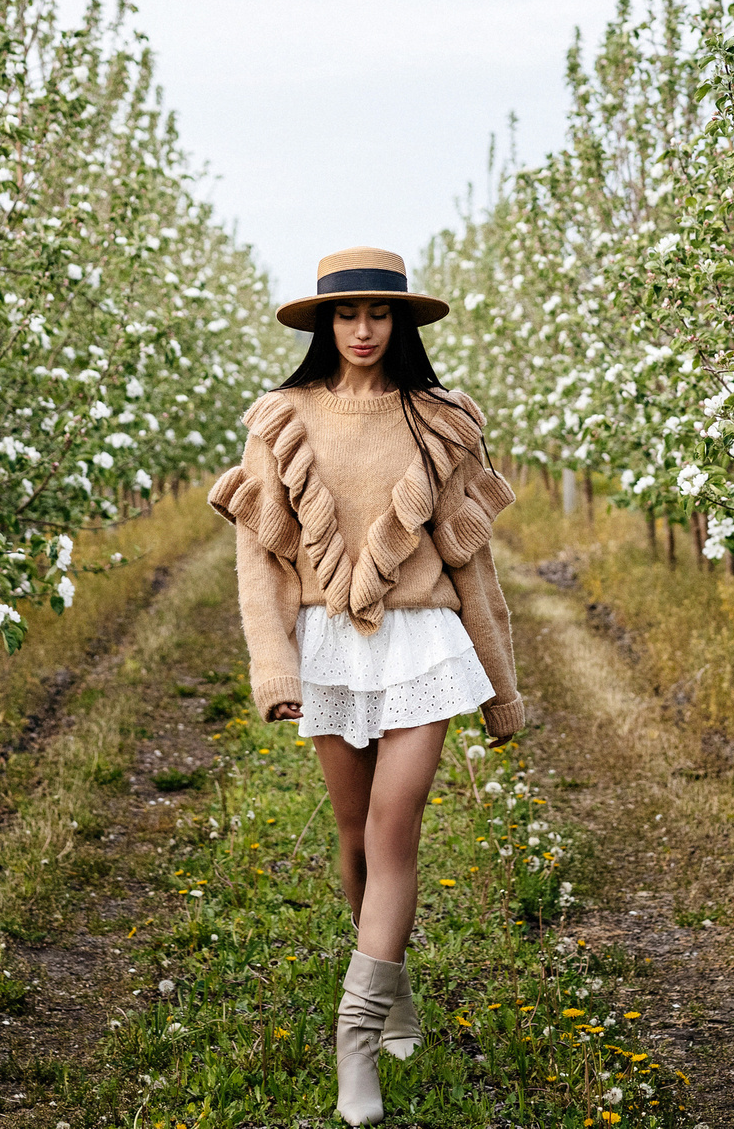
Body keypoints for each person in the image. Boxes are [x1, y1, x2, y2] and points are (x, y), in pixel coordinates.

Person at [209, 246, 524, 1125]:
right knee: (352, 832)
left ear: (401, 322)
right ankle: (391, 988)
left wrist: (501, 687)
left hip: (422, 642)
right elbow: (259, 564)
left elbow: (475, 565)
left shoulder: (442, 419)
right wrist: (273, 666)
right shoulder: (283, 420)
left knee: (394, 828)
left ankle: (355, 1036)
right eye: (346, 315)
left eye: (378, 314)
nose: (361, 329)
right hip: (329, 645)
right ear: (323, 323)